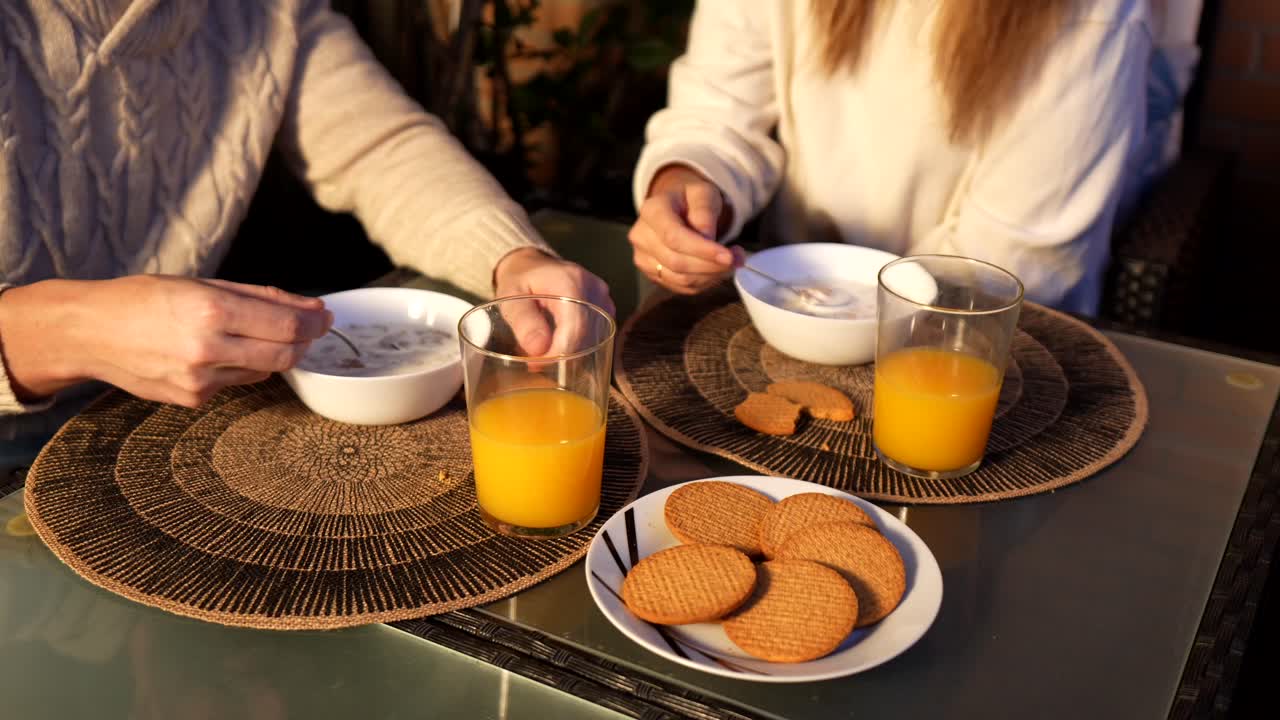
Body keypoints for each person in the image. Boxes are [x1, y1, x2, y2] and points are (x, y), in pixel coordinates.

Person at [0, 0, 613, 440]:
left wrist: (513, 257)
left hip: (153, 437)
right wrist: (67, 333)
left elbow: (379, 148)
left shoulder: (268, 13)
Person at [628, 0, 1151, 314]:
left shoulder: (1092, 16)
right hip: (792, 312)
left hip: (978, 351)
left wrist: (828, 316)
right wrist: (688, 181)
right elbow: (718, 112)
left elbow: (1013, 263)